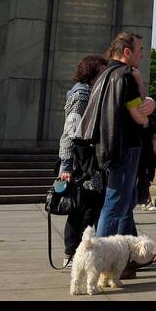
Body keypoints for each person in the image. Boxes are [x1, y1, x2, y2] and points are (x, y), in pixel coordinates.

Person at [80, 32, 156, 262]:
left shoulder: (105, 74)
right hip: (127, 147)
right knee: (115, 206)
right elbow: (139, 117)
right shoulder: (126, 76)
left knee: (121, 205)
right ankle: (100, 258)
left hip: (109, 147)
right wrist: (149, 102)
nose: (142, 55)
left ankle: (121, 259)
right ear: (127, 52)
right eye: (140, 50)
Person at [57, 54, 110, 266]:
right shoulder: (82, 94)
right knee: (82, 209)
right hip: (83, 164)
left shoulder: (87, 92)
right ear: (93, 72)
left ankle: (77, 251)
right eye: (102, 71)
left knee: (87, 208)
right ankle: (73, 252)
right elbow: (70, 131)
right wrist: (66, 166)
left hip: (87, 162)